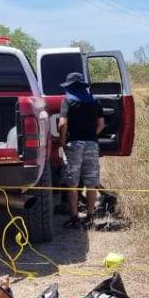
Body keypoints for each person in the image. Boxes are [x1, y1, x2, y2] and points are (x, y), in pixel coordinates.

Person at [58, 72, 105, 229]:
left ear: (70, 86)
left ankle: (75, 218)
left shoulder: (67, 100)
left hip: (74, 145)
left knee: (72, 183)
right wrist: (91, 136)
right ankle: (90, 217)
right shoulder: (95, 100)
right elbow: (101, 125)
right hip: (92, 144)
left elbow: (62, 124)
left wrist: (63, 141)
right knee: (91, 183)